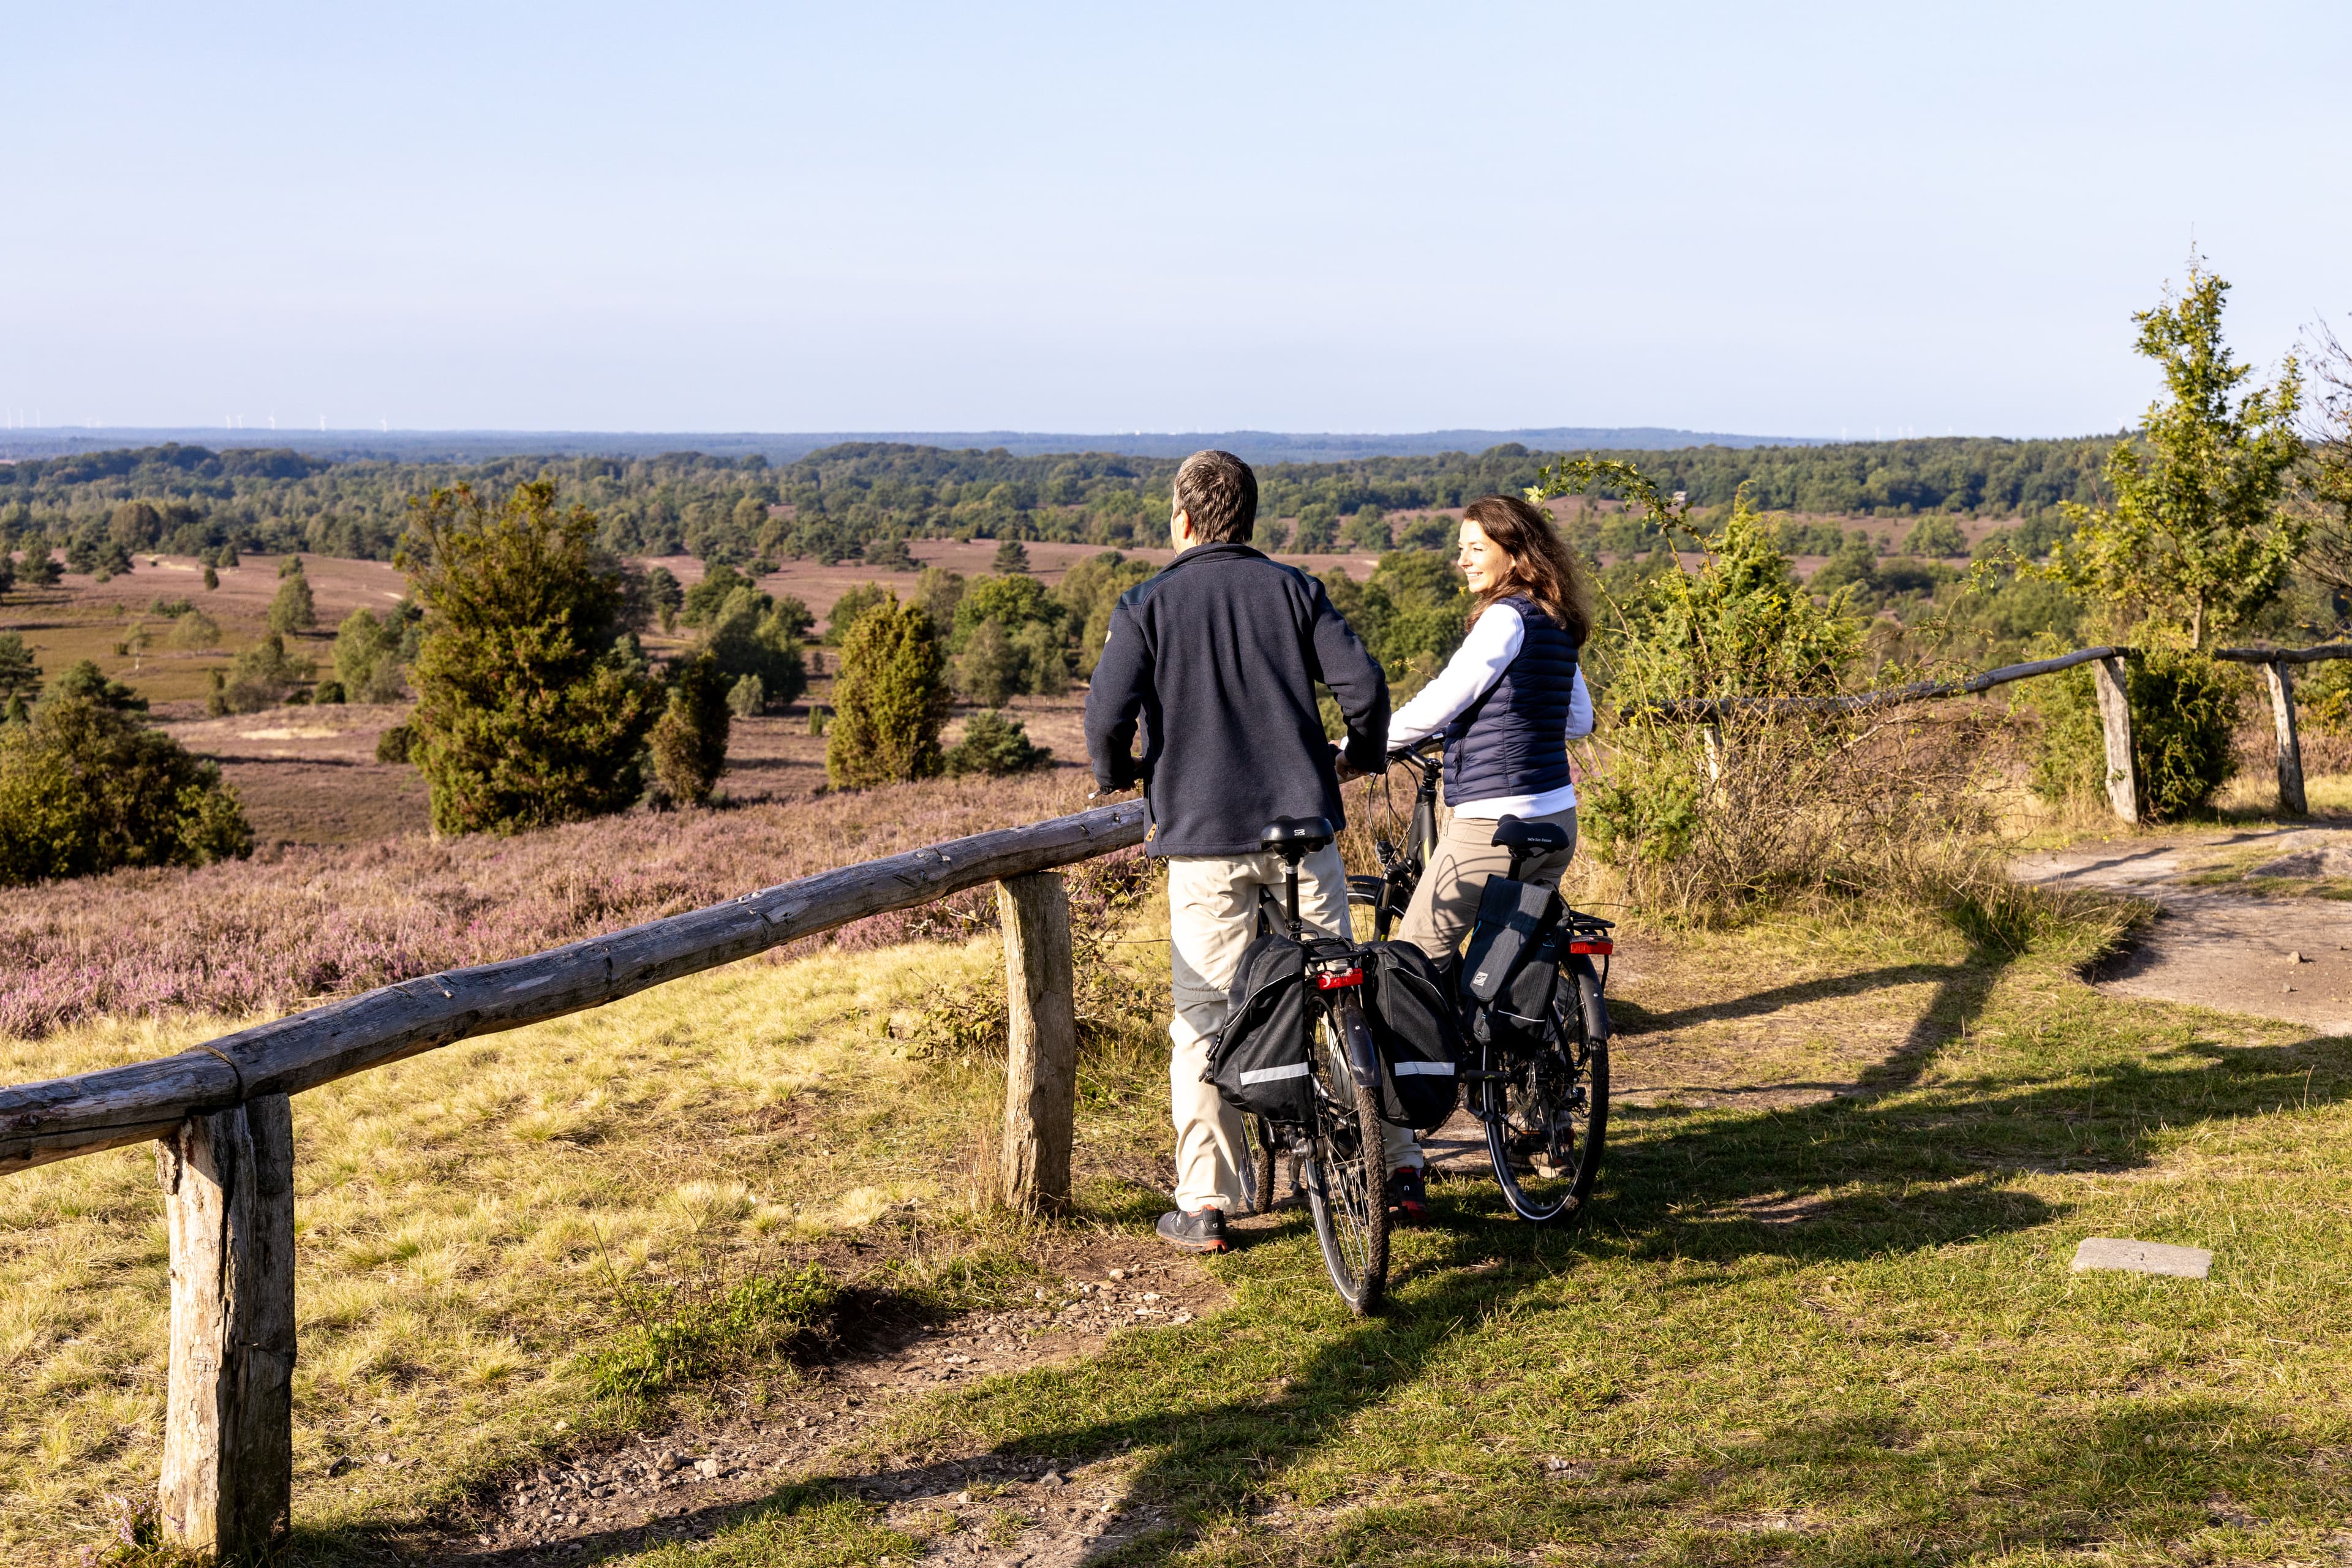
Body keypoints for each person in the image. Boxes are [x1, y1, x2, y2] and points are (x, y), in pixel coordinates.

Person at [1084, 450, 1389, 1254]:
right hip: (1306, 832)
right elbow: (1366, 688)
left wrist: (1123, 776)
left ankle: (1209, 1206)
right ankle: (1394, 1165)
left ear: (1181, 520)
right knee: (1338, 990)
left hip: (1204, 837)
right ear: (1249, 520)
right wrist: (1359, 756)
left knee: (1207, 1016)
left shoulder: (1148, 603)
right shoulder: (1295, 590)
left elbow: (1104, 722)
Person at [1387, 491, 1595, 962]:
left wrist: (1365, 746)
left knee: (1412, 957)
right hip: (1559, 818)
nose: (1462, 560)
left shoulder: (1506, 617)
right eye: (1461, 548)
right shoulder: (1555, 618)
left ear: (1516, 554)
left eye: (1476, 548)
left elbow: (1442, 701)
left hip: (1495, 822)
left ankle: (1415, 1036)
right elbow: (1580, 721)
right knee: (1507, 955)